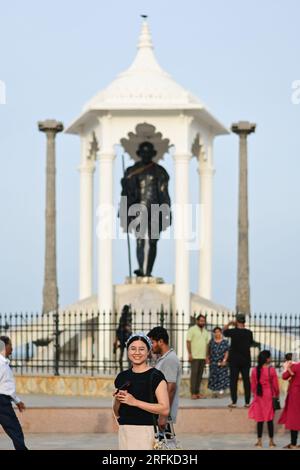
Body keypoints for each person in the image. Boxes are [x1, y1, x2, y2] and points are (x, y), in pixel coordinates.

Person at [119, 141, 171, 277]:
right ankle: (142, 269)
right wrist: (123, 207)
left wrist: (166, 211)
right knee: (140, 239)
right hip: (138, 209)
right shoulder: (131, 171)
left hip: (155, 209)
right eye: (144, 152)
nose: (146, 155)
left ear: (152, 154)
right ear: (139, 154)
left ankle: (148, 271)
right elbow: (126, 193)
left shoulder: (159, 172)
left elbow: (164, 193)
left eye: (148, 152)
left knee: (153, 241)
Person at [113, 332, 169, 450]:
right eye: (133, 348)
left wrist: (135, 402)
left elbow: (164, 409)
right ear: (128, 351)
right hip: (125, 431)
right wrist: (119, 399)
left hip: (146, 432)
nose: (137, 352)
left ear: (148, 352)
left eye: (141, 349)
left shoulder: (156, 376)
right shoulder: (122, 377)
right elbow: (116, 411)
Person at [147, 326, 181, 431]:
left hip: (162, 416)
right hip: (158, 412)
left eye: (152, 342)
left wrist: (163, 415)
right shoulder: (164, 359)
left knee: (163, 445)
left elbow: (170, 388)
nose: (151, 346)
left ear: (160, 341)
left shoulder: (170, 360)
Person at [0, 337, 27, 450]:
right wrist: (17, 401)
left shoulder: (4, 363)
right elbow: (7, 388)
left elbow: (6, 386)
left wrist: (17, 401)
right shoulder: (1, 364)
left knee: (15, 431)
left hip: (3, 401)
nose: (12, 347)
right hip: (2, 403)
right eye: (10, 345)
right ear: (4, 347)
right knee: (16, 431)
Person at [223, 313, 256, 408]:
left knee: (233, 381)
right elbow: (250, 343)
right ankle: (247, 402)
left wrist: (229, 323)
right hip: (245, 360)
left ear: (237, 321)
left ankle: (234, 402)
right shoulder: (249, 333)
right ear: (244, 322)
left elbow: (223, 331)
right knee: (246, 381)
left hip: (234, 360)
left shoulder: (233, 331)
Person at [248, 350, 279, 448]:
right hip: (269, 395)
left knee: (260, 419)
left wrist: (255, 394)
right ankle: (271, 442)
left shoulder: (254, 370)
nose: (270, 359)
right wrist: (276, 395)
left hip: (258, 395)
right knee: (269, 419)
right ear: (267, 359)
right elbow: (275, 386)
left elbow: (253, 385)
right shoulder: (271, 370)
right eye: (269, 357)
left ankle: (259, 442)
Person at [186, 315, 210, 399]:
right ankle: (193, 393)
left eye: (203, 321)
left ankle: (197, 392)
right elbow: (188, 342)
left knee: (200, 376)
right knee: (194, 375)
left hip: (203, 357)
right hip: (194, 356)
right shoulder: (192, 330)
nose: (202, 322)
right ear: (197, 321)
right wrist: (189, 354)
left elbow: (207, 345)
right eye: (201, 321)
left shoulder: (206, 332)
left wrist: (207, 356)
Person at [278, 361, 300, 449]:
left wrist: (286, 368)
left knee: (294, 418)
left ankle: (293, 444)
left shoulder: (296, 366)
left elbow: (284, 376)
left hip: (295, 394)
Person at [208, 327, 230, 397]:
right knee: (213, 376)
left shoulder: (225, 342)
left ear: (221, 333)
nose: (217, 333)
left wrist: (224, 360)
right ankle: (214, 391)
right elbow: (209, 351)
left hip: (222, 361)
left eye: (219, 332)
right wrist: (207, 358)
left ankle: (221, 391)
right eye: (216, 332)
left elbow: (227, 351)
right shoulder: (211, 341)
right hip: (213, 361)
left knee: (222, 376)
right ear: (214, 333)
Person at [113, 305, 132, 371]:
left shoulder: (122, 317)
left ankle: (122, 369)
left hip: (122, 336)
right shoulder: (128, 317)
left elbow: (119, 327)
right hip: (126, 337)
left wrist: (117, 337)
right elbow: (127, 327)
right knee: (127, 355)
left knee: (123, 354)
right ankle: (128, 369)